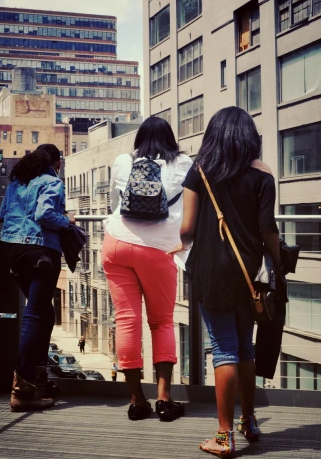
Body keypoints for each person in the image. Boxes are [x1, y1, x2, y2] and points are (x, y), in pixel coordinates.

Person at [173, 107, 281, 457]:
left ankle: (223, 437)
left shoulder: (200, 172)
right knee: (245, 349)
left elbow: (187, 230)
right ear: (249, 138)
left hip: (211, 272)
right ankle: (247, 422)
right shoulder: (263, 177)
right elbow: (268, 231)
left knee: (223, 349)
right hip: (249, 274)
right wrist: (278, 262)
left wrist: (185, 241)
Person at [103, 116, 192, 422]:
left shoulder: (123, 160)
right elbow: (192, 206)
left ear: (139, 138)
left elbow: (116, 202)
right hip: (158, 249)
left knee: (127, 321)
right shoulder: (182, 164)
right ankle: (164, 399)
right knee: (162, 322)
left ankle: (136, 400)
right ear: (170, 138)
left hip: (115, 243)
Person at [0, 144, 75, 412]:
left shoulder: (17, 182)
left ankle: (38, 379)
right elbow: (45, 214)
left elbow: (1, 215)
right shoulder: (51, 181)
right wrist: (68, 222)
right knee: (34, 315)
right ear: (55, 162)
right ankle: (22, 389)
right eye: (60, 162)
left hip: (13, 251)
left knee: (46, 312)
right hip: (41, 251)